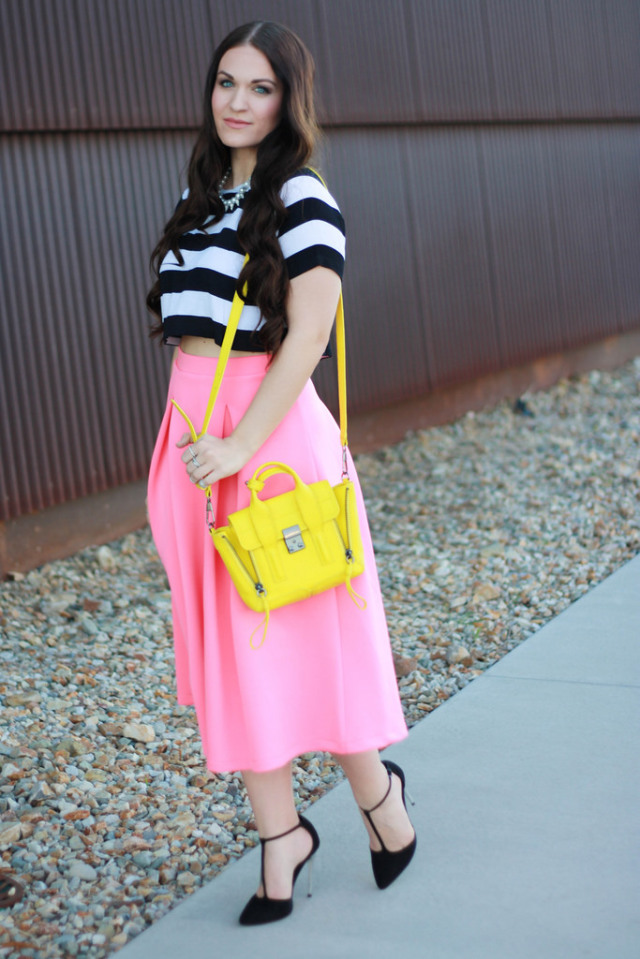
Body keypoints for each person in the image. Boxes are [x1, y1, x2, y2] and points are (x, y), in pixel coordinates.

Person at [146, 21, 416, 925]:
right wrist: (194, 444)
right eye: (226, 82)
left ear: (288, 100)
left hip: (266, 438)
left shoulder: (301, 194)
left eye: (259, 88)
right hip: (195, 436)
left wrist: (237, 444)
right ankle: (281, 832)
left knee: (303, 637)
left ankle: (378, 798)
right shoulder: (202, 195)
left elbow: (307, 337)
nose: (236, 102)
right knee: (235, 649)